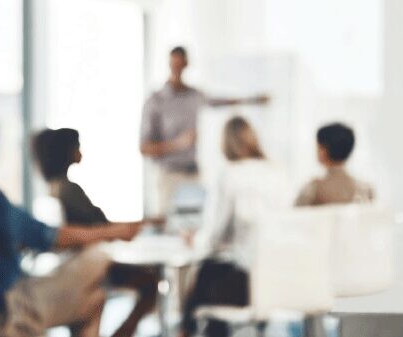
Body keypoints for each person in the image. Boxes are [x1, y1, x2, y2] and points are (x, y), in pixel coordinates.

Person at [0, 106, 142, 337]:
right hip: (5, 314)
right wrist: (114, 232)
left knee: (94, 299)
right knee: (98, 259)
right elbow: (47, 237)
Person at [31, 127, 160, 337]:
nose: (81, 151)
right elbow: (102, 227)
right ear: (69, 151)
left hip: (72, 267)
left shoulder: (54, 187)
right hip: (87, 267)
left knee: (98, 299)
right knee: (149, 281)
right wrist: (125, 229)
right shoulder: (68, 190)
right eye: (78, 146)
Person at [179, 116, 289, 337]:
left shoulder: (229, 175)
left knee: (203, 276)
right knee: (209, 278)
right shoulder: (278, 174)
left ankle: (184, 331)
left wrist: (195, 239)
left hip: (244, 283)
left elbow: (213, 236)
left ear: (225, 144)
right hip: (279, 279)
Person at [140, 46, 270, 216]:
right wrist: (179, 143)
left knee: (198, 222)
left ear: (186, 65)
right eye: (174, 65)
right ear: (169, 64)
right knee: (169, 225)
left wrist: (252, 100)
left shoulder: (195, 96)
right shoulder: (155, 101)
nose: (177, 70)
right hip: (169, 175)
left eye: (181, 65)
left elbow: (221, 101)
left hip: (193, 174)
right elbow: (144, 148)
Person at [295, 122, 374, 206]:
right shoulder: (365, 190)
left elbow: (294, 216)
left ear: (323, 150)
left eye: (318, 146)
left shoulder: (312, 190)